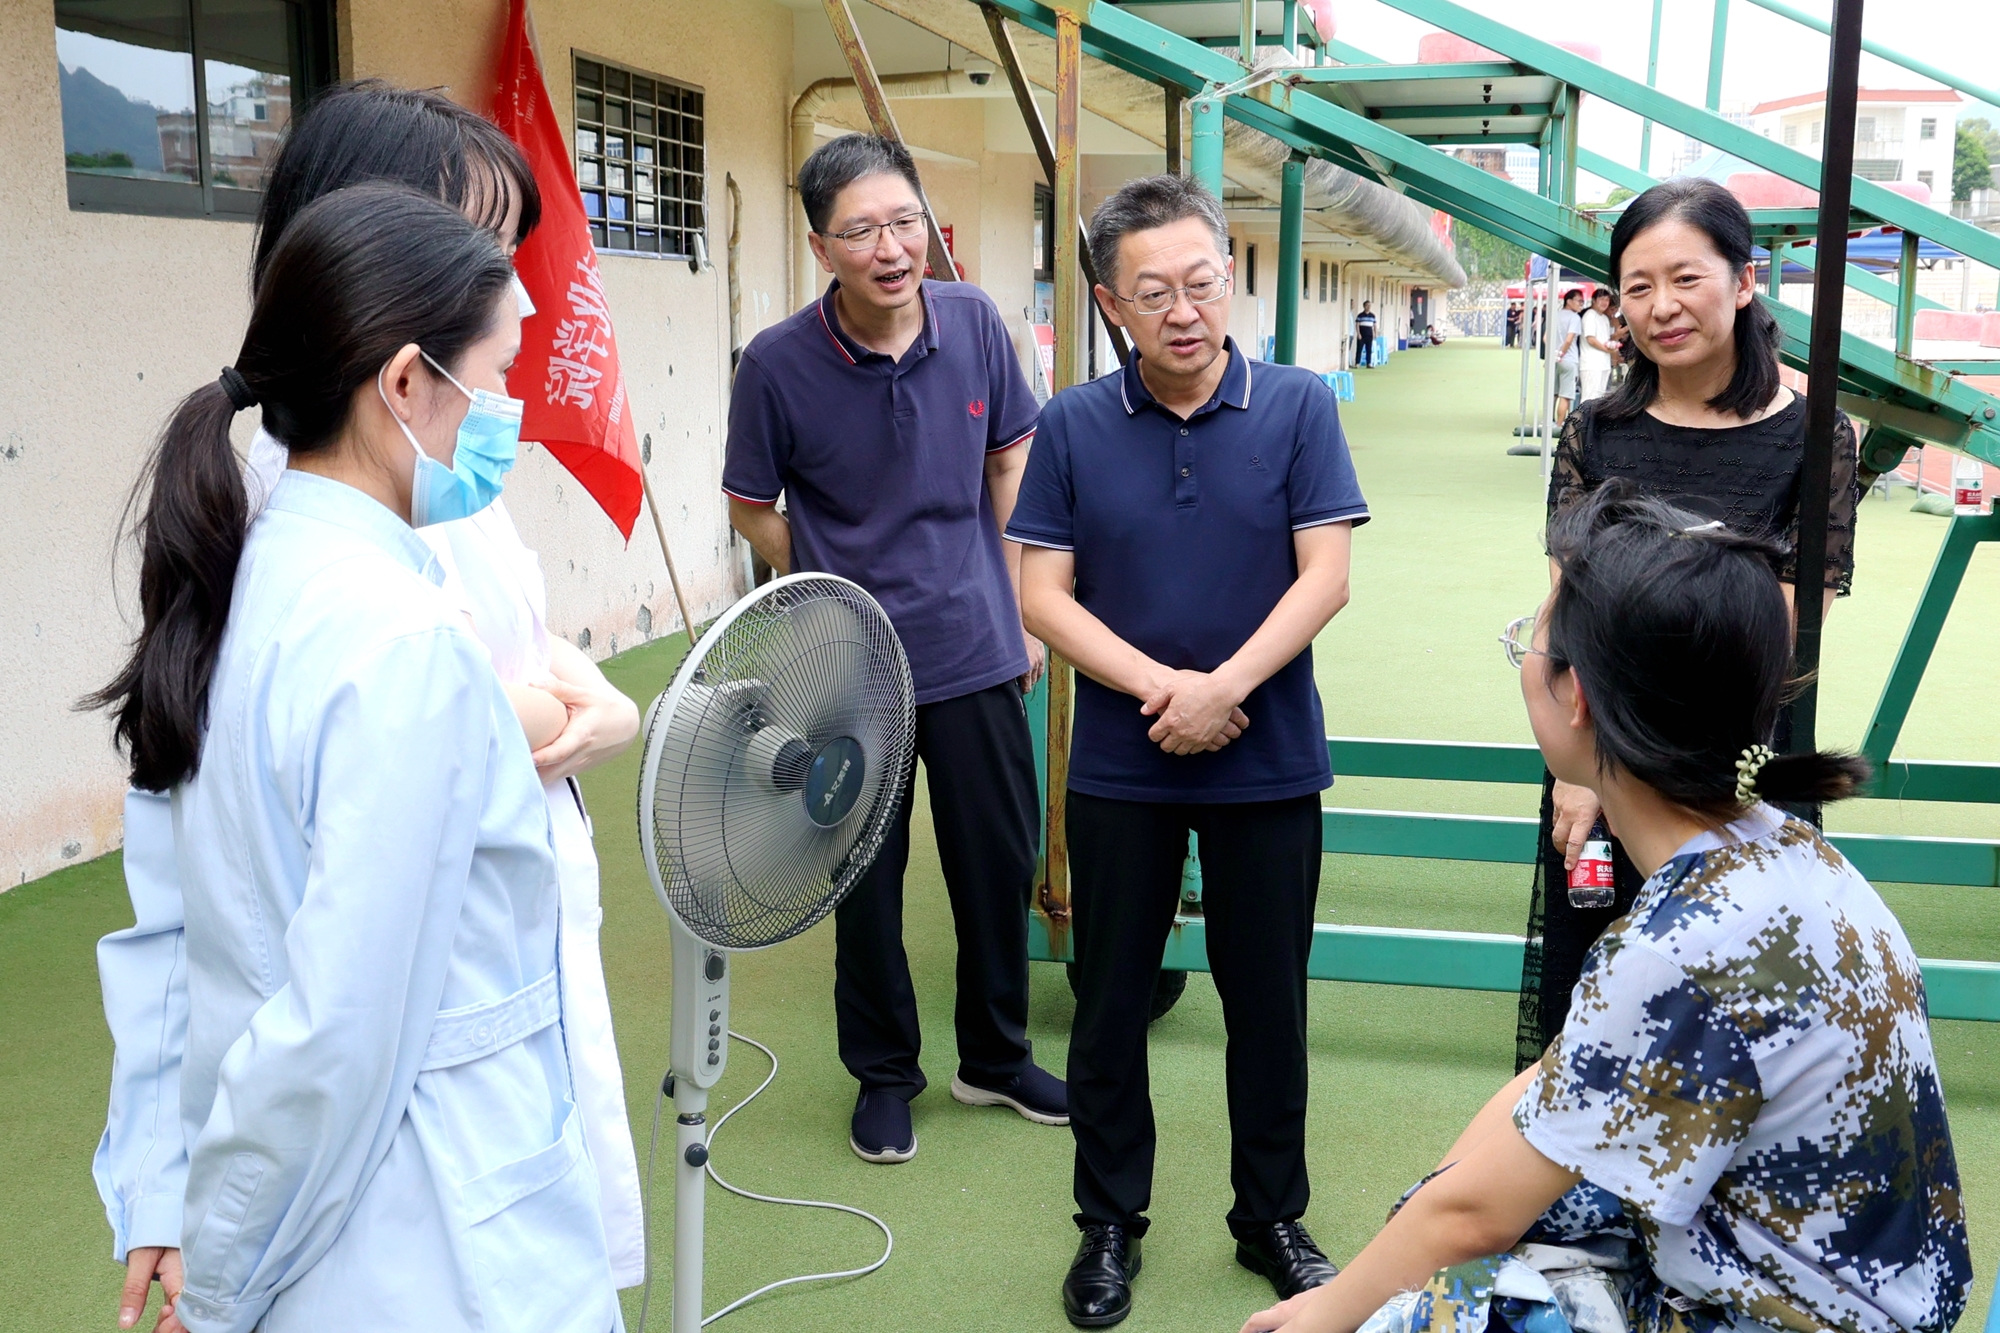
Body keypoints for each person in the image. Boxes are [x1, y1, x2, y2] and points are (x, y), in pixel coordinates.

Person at [94, 83, 647, 1333]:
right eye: (472, 246)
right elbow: (295, 993)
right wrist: (202, 1243)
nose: (507, 290)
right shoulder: (317, 566)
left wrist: (563, 716)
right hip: (402, 1184)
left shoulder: (362, 515)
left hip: (412, 1132)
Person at [1239, 481, 1970, 1333]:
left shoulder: (1683, 945)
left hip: (1788, 1315)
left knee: (1423, 1312)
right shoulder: (1785, 849)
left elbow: (1472, 1219)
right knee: (1456, 1217)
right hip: (1866, 1292)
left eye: (1532, 638)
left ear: (1578, 696)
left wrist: (1327, 1312)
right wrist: (1430, 1203)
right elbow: (1553, 1084)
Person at [1008, 174, 1368, 1328]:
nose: (1183, 311)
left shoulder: (1297, 406)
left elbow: (1324, 575)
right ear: (1111, 304)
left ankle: (1269, 1215)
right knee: (1109, 998)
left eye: (1202, 283)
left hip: (1267, 755)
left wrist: (1224, 688)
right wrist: (1164, 689)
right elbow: (1041, 595)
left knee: (1267, 999)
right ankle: (1108, 1219)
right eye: (1153, 292)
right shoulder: (1072, 424)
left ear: (1227, 279)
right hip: (1123, 760)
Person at [723, 133, 1063, 1165]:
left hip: (974, 644)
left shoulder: (974, 322)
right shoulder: (775, 364)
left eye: (904, 221)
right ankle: (883, 1073)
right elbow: (750, 506)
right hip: (849, 666)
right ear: (821, 247)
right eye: (862, 230)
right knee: (862, 876)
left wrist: (1020, 607)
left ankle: (995, 1056)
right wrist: (828, 577)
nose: (890, 247)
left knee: (995, 859)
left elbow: (1011, 465)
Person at [1514, 176, 1860, 1071]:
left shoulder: (1815, 435)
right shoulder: (1595, 431)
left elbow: (1784, 632)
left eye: (1685, 278)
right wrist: (1584, 773)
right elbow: (1570, 616)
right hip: (1601, 761)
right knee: (1590, 1013)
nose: (1660, 306)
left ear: (1743, 282)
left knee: (1739, 1022)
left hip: (1737, 766)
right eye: (1637, 286)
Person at [1578, 288, 1616, 402]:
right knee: (1589, 398)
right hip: (1591, 364)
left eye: (1607, 300)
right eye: (1601, 299)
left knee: (1599, 399)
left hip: (1604, 363)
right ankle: (1583, 415)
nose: (1604, 302)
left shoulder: (1604, 318)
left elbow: (1606, 339)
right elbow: (1591, 339)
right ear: (1594, 300)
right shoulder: (1590, 315)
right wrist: (1607, 350)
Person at [1552, 288, 1584, 422]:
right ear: (1569, 301)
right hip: (1568, 359)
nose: (1581, 304)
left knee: (1553, 393)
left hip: (1554, 359)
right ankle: (1560, 425)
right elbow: (1569, 340)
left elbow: (1545, 338)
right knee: (1565, 395)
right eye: (1579, 301)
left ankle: (1549, 421)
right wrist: (1562, 353)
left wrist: (1555, 355)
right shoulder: (1575, 318)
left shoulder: (1555, 315)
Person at [1354, 300, 1378, 366]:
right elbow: (1357, 325)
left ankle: (1369, 363)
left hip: (1369, 335)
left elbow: (1375, 325)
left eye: (1370, 305)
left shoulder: (1372, 316)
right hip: (1361, 335)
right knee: (1359, 349)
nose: (1368, 307)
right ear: (1364, 306)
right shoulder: (1360, 315)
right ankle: (1357, 363)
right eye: (1367, 305)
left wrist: (1375, 333)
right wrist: (1358, 333)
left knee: (1369, 350)